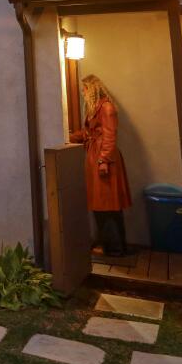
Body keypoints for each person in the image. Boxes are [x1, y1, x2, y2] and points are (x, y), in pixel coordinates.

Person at [69, 74, 131, 257]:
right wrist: (69, 136)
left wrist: (103, 160)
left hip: (104, 160)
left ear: (92, 89)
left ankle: (114, 249)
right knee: (102, 205)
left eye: (84, 89)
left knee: (107, 205)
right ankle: (110, 246)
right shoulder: (97, 109)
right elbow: (89, 133)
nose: (82, 92)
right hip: (98, 157)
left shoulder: (106, 108)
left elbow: (110, 135)